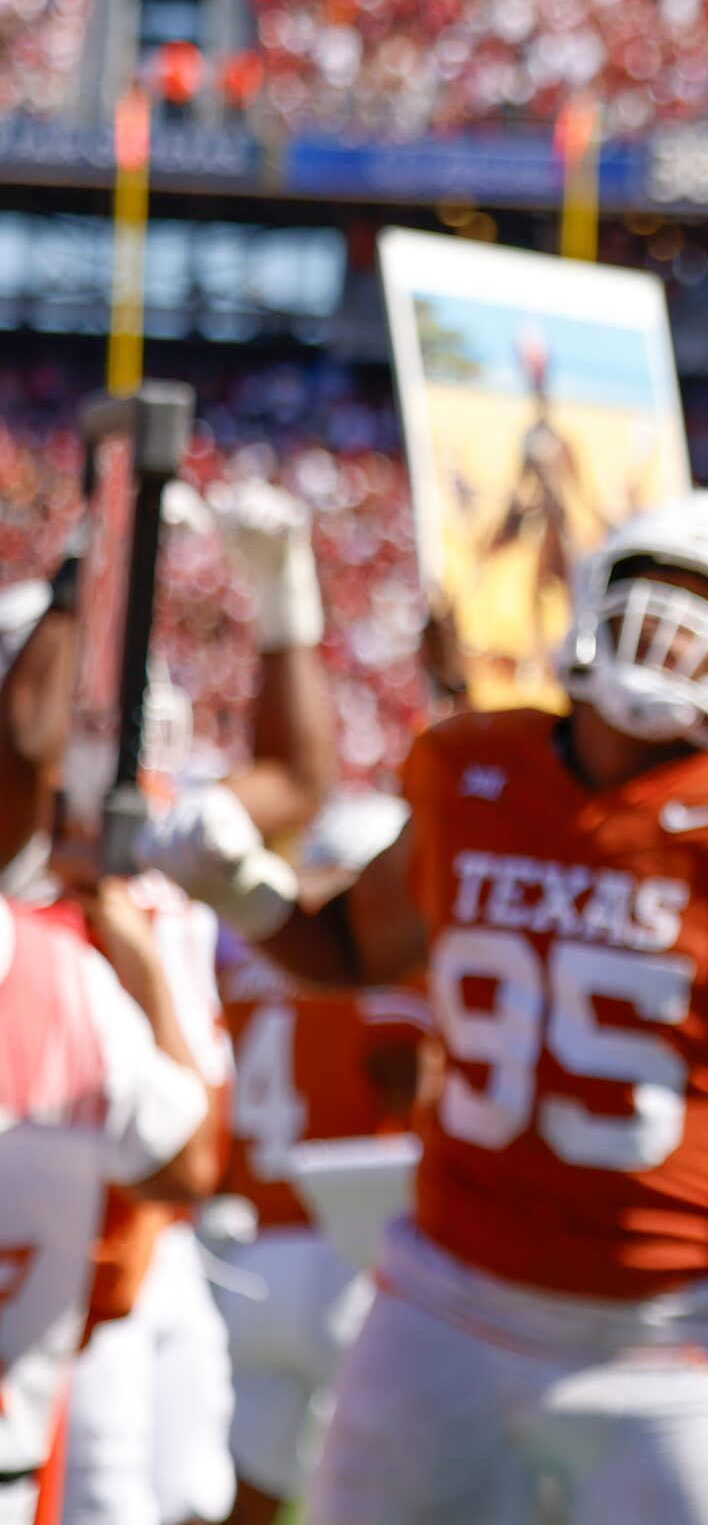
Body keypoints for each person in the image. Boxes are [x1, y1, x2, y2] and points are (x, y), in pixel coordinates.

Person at [151, 489, 708, 1525]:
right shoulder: (479, 768)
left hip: (667, 1335)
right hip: (446, 1304)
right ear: (589, 598)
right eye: (651, 588)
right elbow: (350, 947)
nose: (671, 626)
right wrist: (244, 891)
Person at [52, 480, 337, 1525]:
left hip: (171, 1230)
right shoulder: (34, 861)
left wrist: (286, 607)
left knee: (191, 1498)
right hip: (80, 1226)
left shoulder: (141, 825)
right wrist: (82, 580)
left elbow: (296, 782)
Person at [209, 792, 431, 1525]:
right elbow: (405, 1082)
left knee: (241, 1494)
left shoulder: (248, 967)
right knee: (388, 1491)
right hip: (346, 1250)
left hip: (244, 1251)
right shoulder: (372, 961)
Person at [0, 872, 219, 1525]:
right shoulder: (55, 962)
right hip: (75, 1310)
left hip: (125, 1262)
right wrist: (145, 971)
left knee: (188, 1492)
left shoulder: (60, 952)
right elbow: (188, 1162)